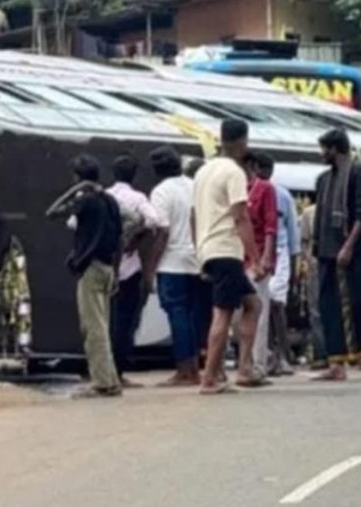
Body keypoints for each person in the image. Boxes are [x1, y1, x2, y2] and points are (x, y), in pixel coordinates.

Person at [194, 120, 264, 394]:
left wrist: (199, 251)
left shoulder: (203, 170)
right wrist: (255, 258)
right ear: (242, 142)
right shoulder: (233, 172)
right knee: (222, 314)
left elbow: (193, 215)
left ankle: (244, 368)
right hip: (226, 249)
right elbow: (241, 216)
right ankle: (209, 378)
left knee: (253, 304)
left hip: (208, 248)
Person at [47, 155, 123, 398]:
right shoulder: (110, 200)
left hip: (90, 268)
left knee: (93, 327)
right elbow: (121, 237)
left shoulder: (85, 201)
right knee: (103, 324)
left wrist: (75, 190)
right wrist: (118, 271)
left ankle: (101, 383)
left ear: (77, 177)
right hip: (108, 267)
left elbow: (52, 212)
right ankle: (110, 378)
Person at [312, 129, 361, 381]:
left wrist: (349, 245)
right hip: (327, 251)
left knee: (359, 305)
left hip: (351, 251)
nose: (322, 154)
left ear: (335, 149)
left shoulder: (359, 173)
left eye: (324, 149)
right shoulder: (323, 179)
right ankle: (335, 363)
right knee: (328, 307)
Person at [144, 146, 207, 387]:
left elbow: (162, 230)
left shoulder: (161, 192)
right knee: (192, 316)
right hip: (196, 259)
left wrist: (150, 266)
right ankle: (195, 368)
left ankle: (184, 370)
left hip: (172, 261)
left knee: (177, 314)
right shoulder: (194, 185)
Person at [105, 153, 159, 388]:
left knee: (104, 319)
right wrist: (136, 235)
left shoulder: (104, 196)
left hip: (105, 264)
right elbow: (153, 221)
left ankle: (103, 367)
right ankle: (119, 370)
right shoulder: (137, 198)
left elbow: (73, 223)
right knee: (125, 321)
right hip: (129, 265)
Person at [256, 153, 300, 377]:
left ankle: (282, 355)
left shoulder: (282, 195)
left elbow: (292, 233)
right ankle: (266, 355)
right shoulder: (250, 192)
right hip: (255, 253)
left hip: (279, 254)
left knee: (275, 303)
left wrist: (293, 265)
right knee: (257, 307)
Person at [243, 152, 278, 381]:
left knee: (259, 312)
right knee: (238, 315)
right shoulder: (236, 188)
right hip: (237, 257)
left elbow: (270, 225)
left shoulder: (264, 189)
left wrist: (265, 258)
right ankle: (245, 361)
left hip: (256, 258)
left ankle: (258, 364)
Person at [299, 201, 327, 368]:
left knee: (317, 311)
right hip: (322, 263)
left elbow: (304, 242)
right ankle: (326, 353)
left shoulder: (309, 212)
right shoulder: (310, 212)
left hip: (319, 264)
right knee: (321, 310)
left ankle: (323, 353)